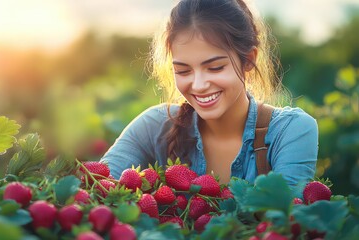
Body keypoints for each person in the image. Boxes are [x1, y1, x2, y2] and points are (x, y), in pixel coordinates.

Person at [100, 0, 318, 186]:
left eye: (215, 68)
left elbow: (287, 223)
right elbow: (95, 192)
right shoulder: (153, 127)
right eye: (183, 71)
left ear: (249, 59)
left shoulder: (290, 131)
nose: (199, 85)